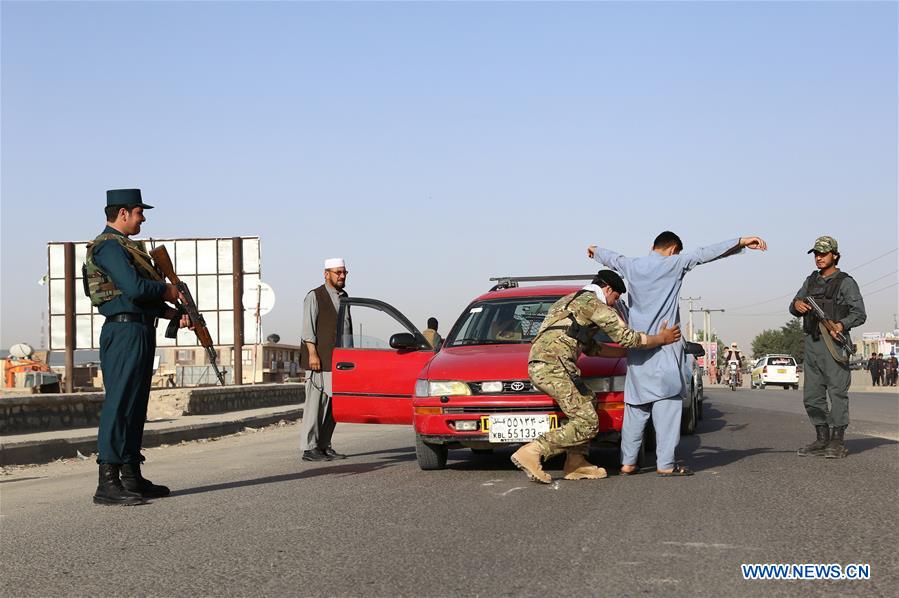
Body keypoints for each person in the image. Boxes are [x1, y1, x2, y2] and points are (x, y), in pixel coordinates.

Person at [589, 232, 768, 476]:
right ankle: (665, 465)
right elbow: (705, 253)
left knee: (636, 409)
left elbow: (613, 258)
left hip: (639, 348)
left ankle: (627, 463)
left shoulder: (631, 265)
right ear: (673, 249)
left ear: (653, 246)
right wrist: (740, 242)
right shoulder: (675, 263)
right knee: (667, 408)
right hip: (665, 344)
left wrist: (595, 250)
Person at [511, 270, 681, 484]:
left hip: (544, 364)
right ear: (608, 289)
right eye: (615, 298)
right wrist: (660, 339)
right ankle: (534, 451)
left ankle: (576, 462)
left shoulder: (568, 302)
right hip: (556, 365)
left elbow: (592, 348)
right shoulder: (594, 304)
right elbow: (627, 337)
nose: (613, 304)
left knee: (588, 400)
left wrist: (627, 354)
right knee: (588, 423)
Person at [84, 189, 189, 505]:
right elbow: (133, 287)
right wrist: (168, 289)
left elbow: (139, 296)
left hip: (140, 327)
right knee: (119, 404)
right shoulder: (109, 247)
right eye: (140, 212)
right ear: (123, 213)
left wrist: (172, 313)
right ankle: (108, 481)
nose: (143, 218)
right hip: (123, 330)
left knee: (135, 404)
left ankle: (130, 475)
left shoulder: (129, 248)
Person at [790, 236, 866, 459]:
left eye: (823, 253)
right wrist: (797, 305)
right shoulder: (811, 281)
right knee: (812, 395)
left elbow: (859, 313)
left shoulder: (845, 282)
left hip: (833, 343)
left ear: (835, 255)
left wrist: (841, 325)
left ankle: (837, 440)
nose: (819, 258)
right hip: (812, 343)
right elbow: (794, 305)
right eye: (816, 254)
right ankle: (822, 438)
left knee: (836, 391)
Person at [299, 258, 352, 462]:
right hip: (319, 360)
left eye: (344, 272)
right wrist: (312, 353)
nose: (341, 276)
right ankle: (309, 448)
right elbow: (307, 328)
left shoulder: (344, 297)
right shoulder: (314, 296)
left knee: (334, 406)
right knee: (315, 404)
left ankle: (324, 444)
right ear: (326, 273)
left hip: (339, 361)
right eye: (337, 272)